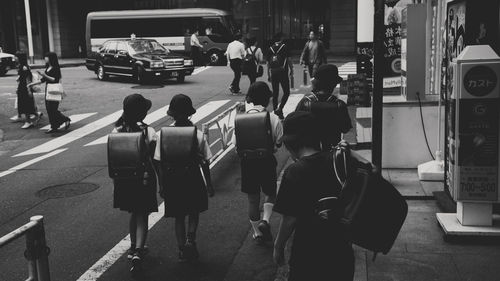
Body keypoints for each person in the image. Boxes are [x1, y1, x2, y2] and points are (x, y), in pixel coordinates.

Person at [273, 111, 355, 281]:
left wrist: (278, 246)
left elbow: (289, 219)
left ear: (291, 143)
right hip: (342, 252)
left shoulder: (295, 172)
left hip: (309, 255)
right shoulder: (339, 160)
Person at [153, 94, 213, 263]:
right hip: (192, 178)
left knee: (178, 216)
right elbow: (205, 161)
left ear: (172, 114)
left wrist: (161, 185)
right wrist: (209, 184)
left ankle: (181, 249)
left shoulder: (163, 135)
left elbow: (158, 162)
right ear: (189, 113)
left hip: (172, 180)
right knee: (194, 211)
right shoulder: (197, 134)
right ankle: (190, 240)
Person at [111, 93, 158, 274]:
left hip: (125, 180)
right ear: (142, 113)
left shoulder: (117, 131)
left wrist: (116, 183)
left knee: (133, 211)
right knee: (142, 214)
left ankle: (132, 247)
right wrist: (162, 182)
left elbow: (115, 159)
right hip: (145, 179)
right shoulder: (149, 131)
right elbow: (155, 159)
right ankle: (139, 250)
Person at [233, 82, 283, 245]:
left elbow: (236, 146)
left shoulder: (240, 119)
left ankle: (257, 233)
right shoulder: (274, 118)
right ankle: (266, 221)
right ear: (268, 99)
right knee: (271, 192)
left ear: (249, 98)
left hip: (248, 164)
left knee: (252, 200)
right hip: (267, 161)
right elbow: (278, 143)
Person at [295, 64, 352, 151]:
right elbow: (345, 128)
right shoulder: (339, 105)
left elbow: (295, 127)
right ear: (333, 85)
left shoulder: (305, 103)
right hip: (331, 153)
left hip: (310, 153)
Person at [36, 52, 71, 133]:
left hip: (54, 90)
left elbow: (55, 79)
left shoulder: (55, 68)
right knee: (49, 109)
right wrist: (32, 84)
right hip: (48, 89)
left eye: (46, 57)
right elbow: (43, 80)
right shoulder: (48, 67)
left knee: (53, 109)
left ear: (51, 58)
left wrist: (44, 75)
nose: (45, 58)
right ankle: (54, 126)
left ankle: (65, 119)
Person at [267, 32, 293, 120]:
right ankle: (280, 108)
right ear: (281, 39)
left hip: (273, 72)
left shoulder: (270, 49)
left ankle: (275, 111)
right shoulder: (284, 47)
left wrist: (268, 74)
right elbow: (289, 60)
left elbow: (268, 63)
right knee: (286, 92)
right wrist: (291, 70)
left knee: (275, 93)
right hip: (283, 72)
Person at [13, 52, 42, 129]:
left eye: (16, 57)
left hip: (25, 88)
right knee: (25, 104)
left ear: (20, 58)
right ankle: (36, 115)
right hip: (22, 87)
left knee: (26, 105)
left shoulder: (24, 67)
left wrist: (29, 89)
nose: (14, 58)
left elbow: (28, 79)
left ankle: (28, 121)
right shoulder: (21, 66)